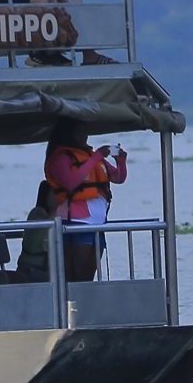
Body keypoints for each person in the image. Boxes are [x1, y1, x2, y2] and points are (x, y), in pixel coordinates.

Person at [44, 119, 127, 282]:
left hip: (97, 222)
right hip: (76, 221)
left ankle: (82, 305)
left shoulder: (91, 156)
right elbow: (70, 183)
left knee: (88, 275)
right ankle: (69, 306)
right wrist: (96, 157)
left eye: (85, 131)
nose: (85, 136)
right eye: (79, 132)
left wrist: (121, 161)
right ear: (67, 133)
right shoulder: (61, 157)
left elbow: (118, 177)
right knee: (76, 274)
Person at [15, 181, 59, 283]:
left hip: (47, 268)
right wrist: (55, 210)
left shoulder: (59, 219)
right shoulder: (36, 214)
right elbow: (37, 243)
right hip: (32, 269)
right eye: (55, 193)